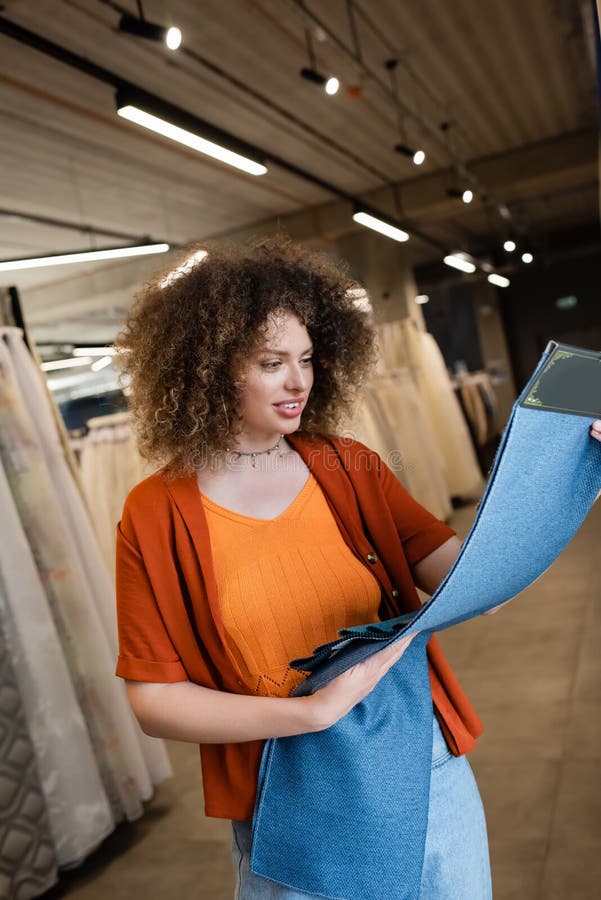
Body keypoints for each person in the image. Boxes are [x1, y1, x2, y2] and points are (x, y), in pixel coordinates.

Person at [114, 235, 601, 899]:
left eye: (308, 359)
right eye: (271, 362)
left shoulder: (350, 465)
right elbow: (155, 699)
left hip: (418, 759)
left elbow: (479, 585)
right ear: (208, 365)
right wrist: (308, 715)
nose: (298, 381)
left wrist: (570, 467)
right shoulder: (154, 513)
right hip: (283, 788)